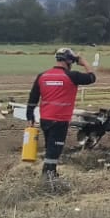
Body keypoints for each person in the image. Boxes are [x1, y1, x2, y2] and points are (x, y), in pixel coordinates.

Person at [25, 48, 96, 188]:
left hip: (45, 119)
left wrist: (30, 116)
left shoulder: (42, 76)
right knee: (55, 150)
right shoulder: (72, 76)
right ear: (68, 60)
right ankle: (49, 179)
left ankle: (50, 175)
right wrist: (84, 63)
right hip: (60, 120)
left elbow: (33, 98)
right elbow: (92, 78)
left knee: (50, 148)